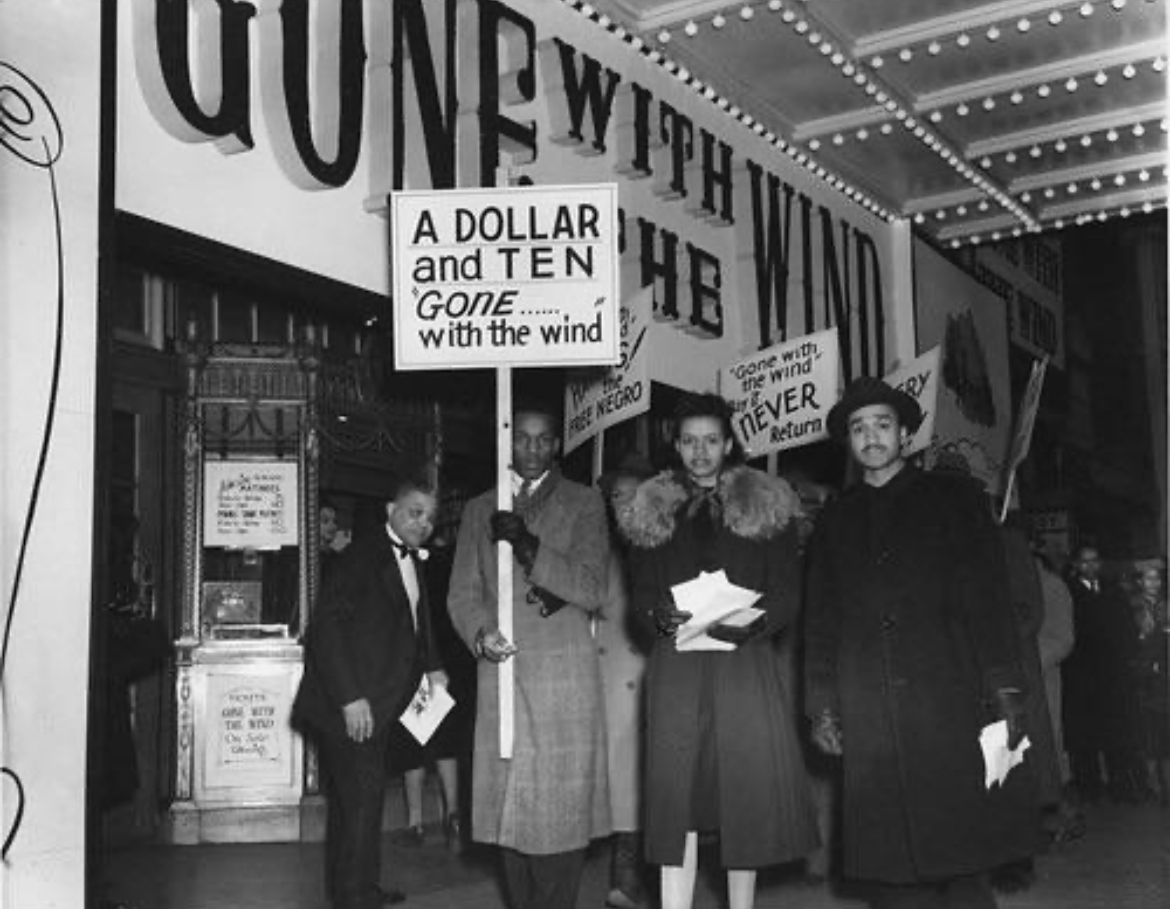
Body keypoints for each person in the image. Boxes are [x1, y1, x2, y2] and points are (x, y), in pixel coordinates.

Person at [804, 376, 1039, 909]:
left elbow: (989, 601)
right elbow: (820, 623)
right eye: (858, 428)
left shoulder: (955, 501)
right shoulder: (835, 522)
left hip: (948, 702)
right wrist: (820, 707)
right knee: (891, 870)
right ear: (848, 443)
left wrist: (1003, 686)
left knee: (961, 858)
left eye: (883, 424)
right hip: (870, 713)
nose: (871, 436)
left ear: (906, 434)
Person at [616, 393, 818, 909]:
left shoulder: (765, 502)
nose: (700, 452)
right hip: (679, 663)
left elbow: (789, 592)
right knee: (674, 796)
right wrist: (655, 615)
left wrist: (753, 624)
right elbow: (640, 594)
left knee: (743, 793)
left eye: (711, 440)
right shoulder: (652, 509)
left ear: (728, 443)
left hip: (743, 663)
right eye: (689, 441)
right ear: (676, 445)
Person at [446, 397, 611, 909]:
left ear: (558, 444)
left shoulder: (585, 502)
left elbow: (591, 587)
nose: (533, 448)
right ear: (507, 442)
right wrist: (480, 634)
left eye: (544, 438)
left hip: (563, 678)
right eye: (523, 438)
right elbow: (461, 593)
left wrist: (529, 546)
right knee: (509, 815)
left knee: (558, 815)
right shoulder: (479, 508)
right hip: (503, 674)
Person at [292, 475, 444, 909]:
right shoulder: (361, 555)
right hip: (353, 703)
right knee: (359, 803)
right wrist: (350, 698)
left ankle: (358, 889)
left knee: (358, 801)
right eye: (415, 512)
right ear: (389, 511)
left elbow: (419, 620)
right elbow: (326, 629)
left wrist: (434, 667)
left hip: (380, 699)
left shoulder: (411, 558)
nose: (423, 523)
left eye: (430, 518)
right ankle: (354, 897)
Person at [597, 461, 655, 909]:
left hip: (648, 675)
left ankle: (632, 876)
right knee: (617, 781)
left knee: (639, 783)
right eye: (617, 496)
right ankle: (623, 875)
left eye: (633, 494)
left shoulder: (660, 543)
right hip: (606, 674)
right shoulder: (597, 546)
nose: (625, 504)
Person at [1061, 544, 1146, 805]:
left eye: (1094, 560)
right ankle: (1091, 788)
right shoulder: (1069, 592)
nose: (1090, 566)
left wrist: (1128, 655)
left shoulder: (1113, 591)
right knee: (1086, 734)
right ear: (1076, 564)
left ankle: (1121, 785)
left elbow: (1127, 628)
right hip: (1083, 676)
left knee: (1117, 730)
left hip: (1114, 673)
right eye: (1084, 561)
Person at [1033, 550, 1082, 841]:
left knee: (1049, 751)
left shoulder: (1050, 585)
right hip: (1018, 687)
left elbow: (1062, 638)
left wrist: (1025, 663)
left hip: (1040, 682)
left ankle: (1065, 816)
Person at [1128, 560, 1168, 804]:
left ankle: (1162, 782)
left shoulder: (1164, 605)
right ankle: (1150, 781)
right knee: (1146, 731)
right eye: (1149, 578)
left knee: (1161, 731)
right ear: (1140, 581)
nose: (1154, 582)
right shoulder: (1133, 606)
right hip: (1143, 676)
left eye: (1158, 578)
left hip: (1162, 676)